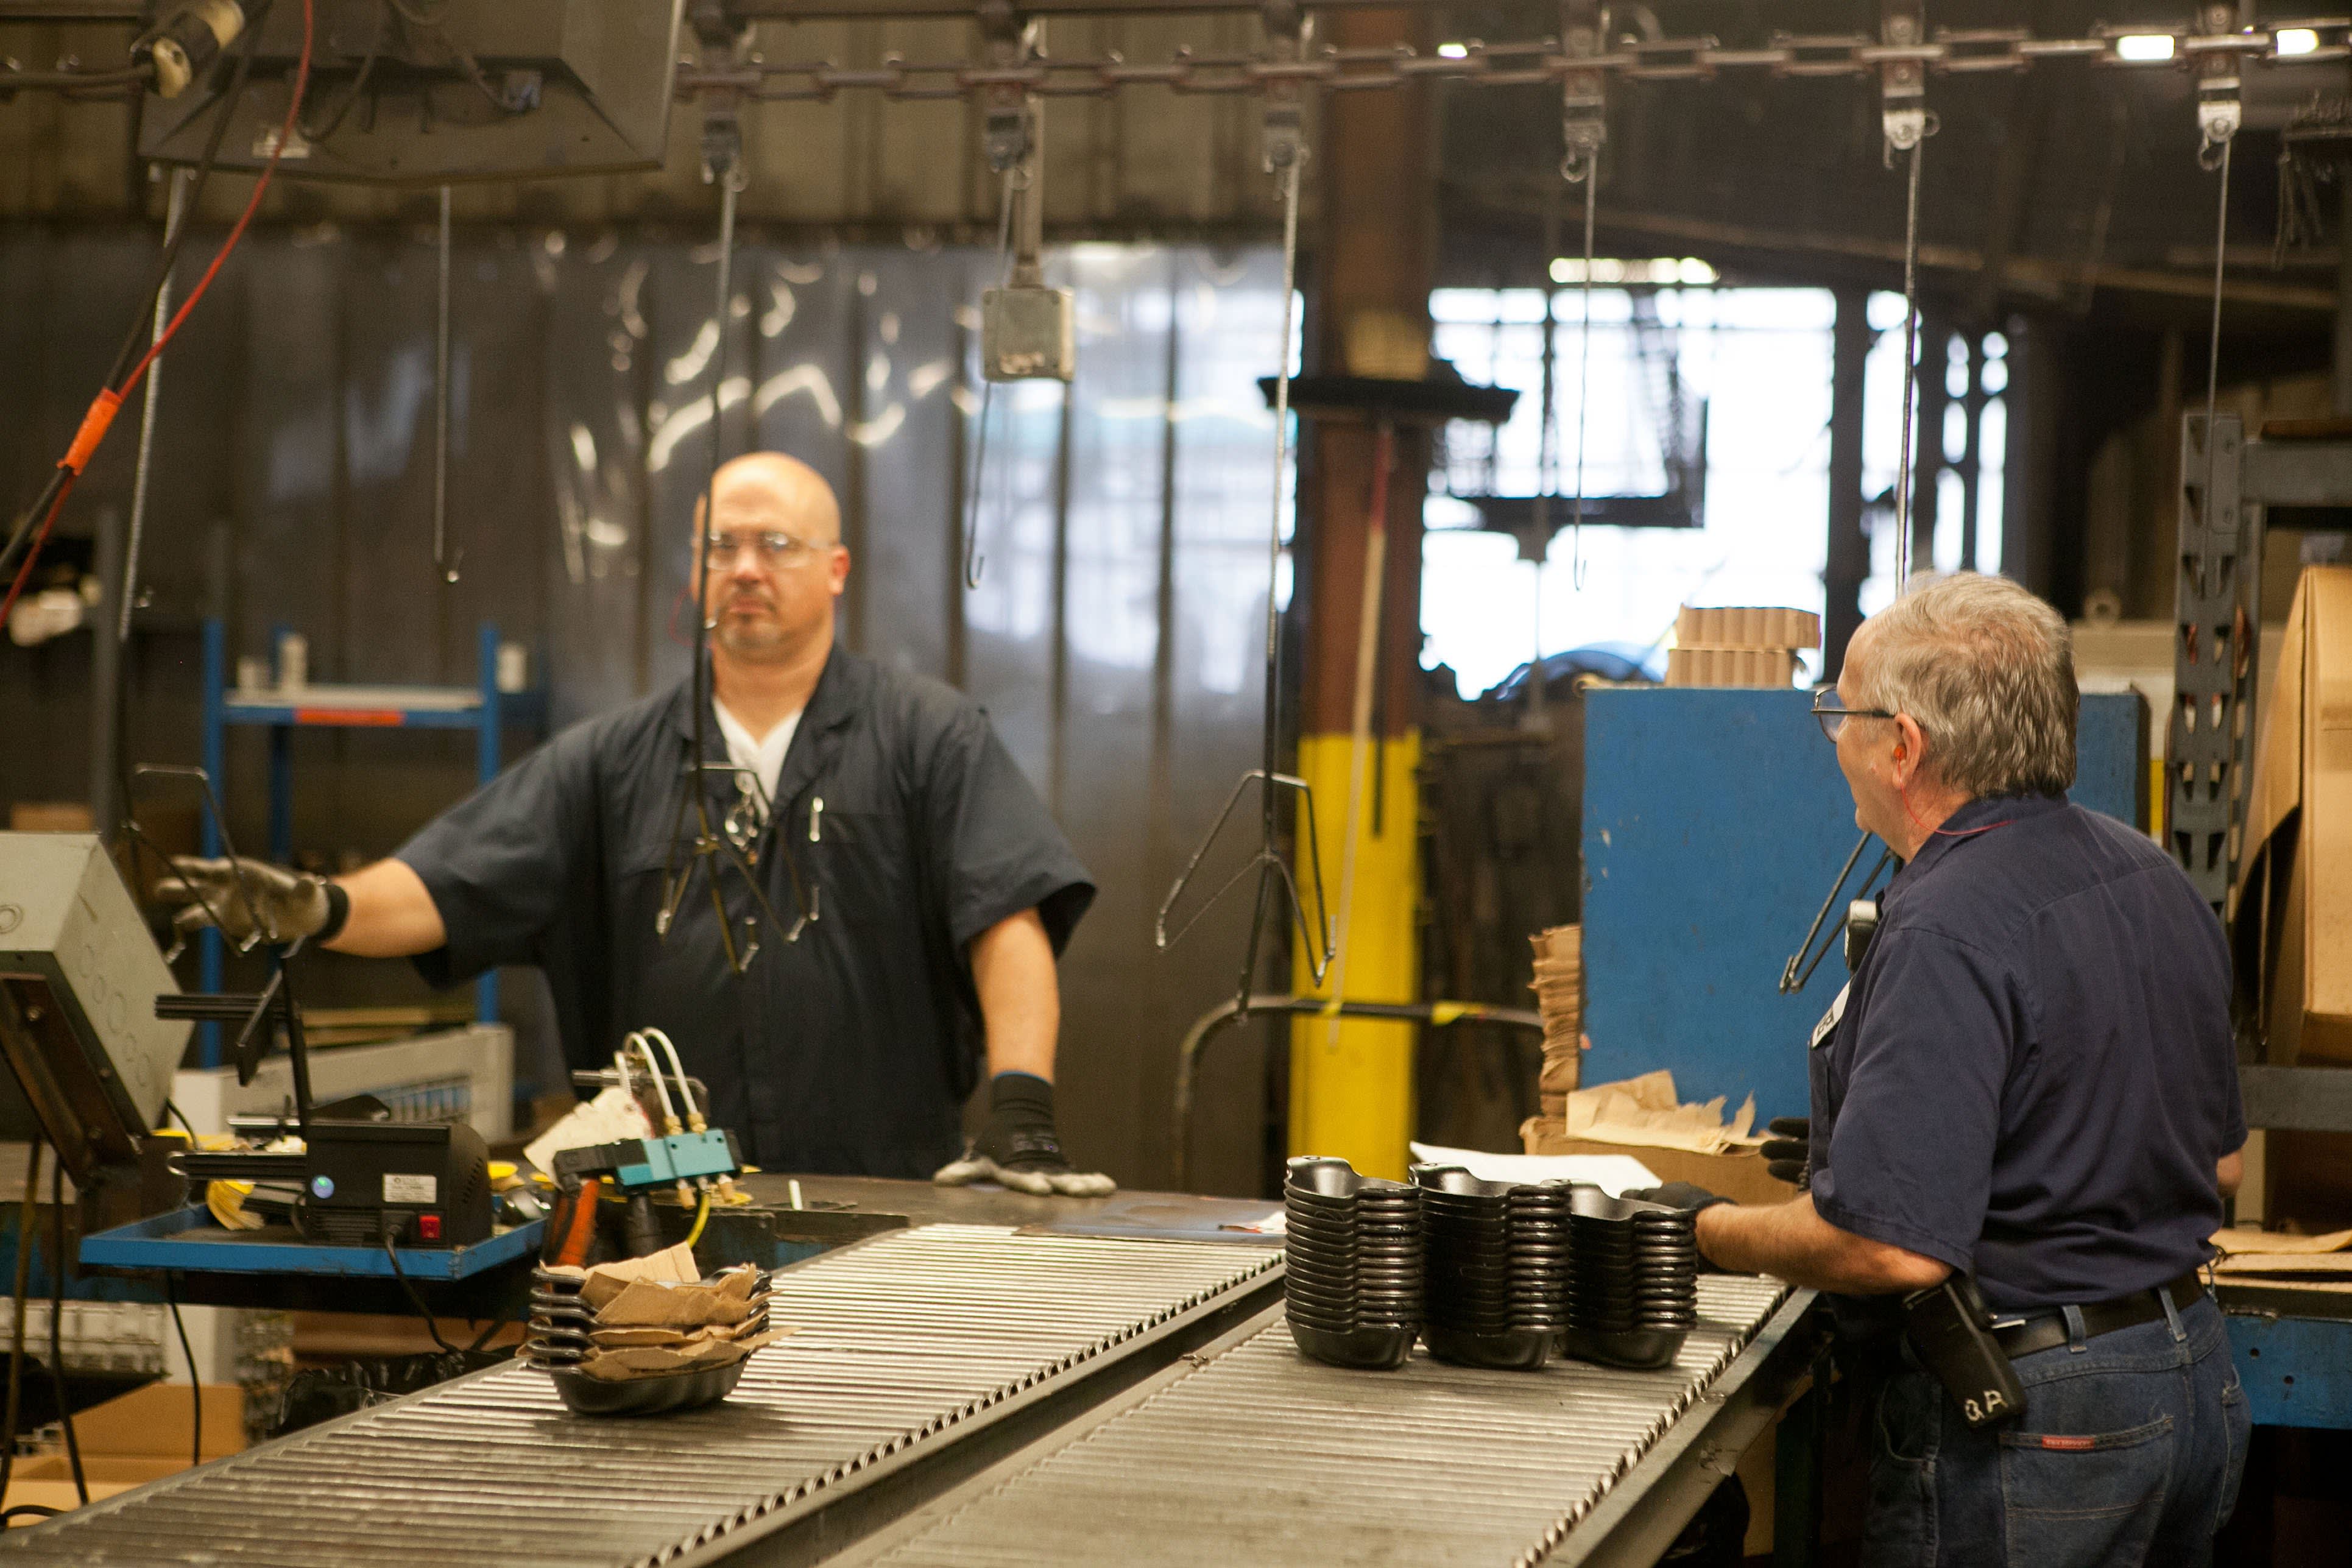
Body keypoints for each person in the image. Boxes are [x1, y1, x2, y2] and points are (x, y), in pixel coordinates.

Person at [159, 453, 1112, 1195]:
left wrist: (1021, 1107)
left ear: (834, 569)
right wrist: (320, 907)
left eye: (774, 545)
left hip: (891, 1195)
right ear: (695, 575)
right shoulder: (611, 761)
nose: (744, 568)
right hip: (668, 1209)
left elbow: (1006, 913)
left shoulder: (929, 738)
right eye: (720, 547)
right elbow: (450, 882)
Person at [1634, 573, 2249, 1565]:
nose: (1831, 737)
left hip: (2042, 1431)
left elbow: (1889, 1251)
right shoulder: (2154, 878)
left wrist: (1703, 1229)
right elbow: (2215, 1167)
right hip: (2188, 1389)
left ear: (1902, 744)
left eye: (1837, 709)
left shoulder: (1946, 918)